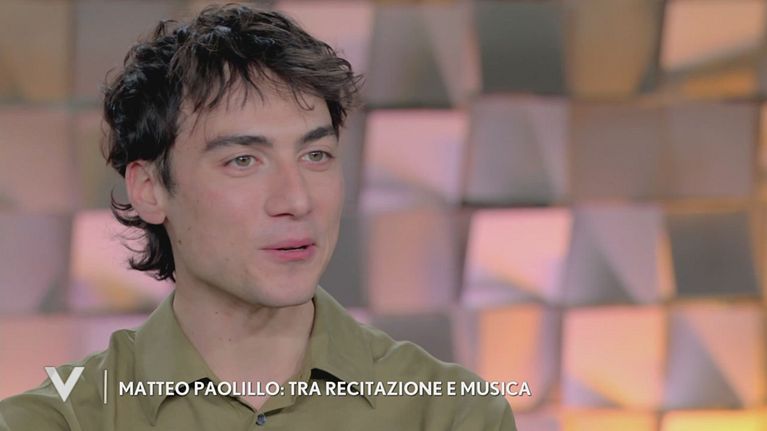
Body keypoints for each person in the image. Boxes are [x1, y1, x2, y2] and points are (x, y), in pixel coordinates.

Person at [0, 4, 515, 430]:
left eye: (316, 155)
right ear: (150, 190)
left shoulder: (450, 415)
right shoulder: (58, 421)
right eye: (243, 160)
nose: (296, 199)